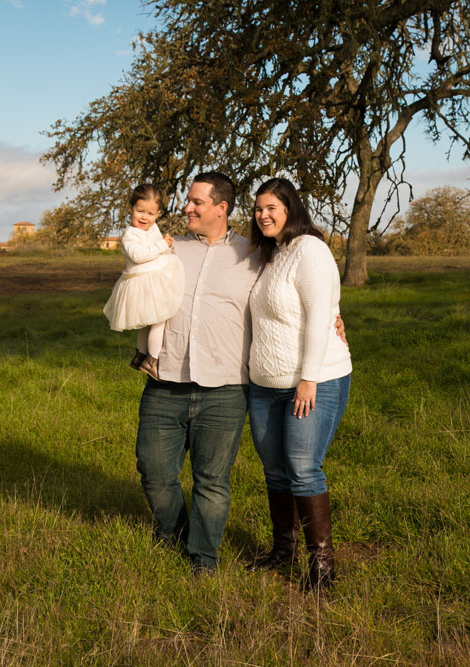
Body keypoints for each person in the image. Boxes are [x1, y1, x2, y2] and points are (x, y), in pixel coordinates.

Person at [135, 172, 261, 573]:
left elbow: (289, 298)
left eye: (196, 202)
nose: (186, 208)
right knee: (153, 469)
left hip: (224, 389)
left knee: (212, 481)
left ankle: (202, 558)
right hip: (164, 380)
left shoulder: (254, 254)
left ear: (221, 208)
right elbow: (139, 290)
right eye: (188, 201)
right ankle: (173, 532)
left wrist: (334, 317)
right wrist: (140, 353)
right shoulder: (168, 248)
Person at [245, 177, 352, 590]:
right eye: (258, 209)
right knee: (274, 470)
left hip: (313, 380)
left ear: (290, 208)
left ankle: (322, 565)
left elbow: (319, 317)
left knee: (303, 469)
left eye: (272, 207)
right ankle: (282, 551)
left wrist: (307, 379)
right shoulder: (270, 254)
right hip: (264, 384)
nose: (264, 215)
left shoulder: (311, 250)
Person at [103, 184, 185, 380]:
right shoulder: (130, 235)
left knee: (147, 322)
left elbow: (157, 245)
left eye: (150, 213)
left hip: (152, 279)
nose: (144, 217)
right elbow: (139, 255)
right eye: (140, 211)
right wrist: (160, 246)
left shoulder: (152, 228)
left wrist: (165, 244)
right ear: (131, 208)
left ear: (157, 214)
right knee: (159, 319)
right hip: (142, 282)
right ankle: (152, 360)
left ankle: (140, 355)